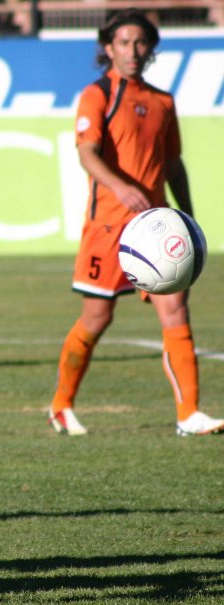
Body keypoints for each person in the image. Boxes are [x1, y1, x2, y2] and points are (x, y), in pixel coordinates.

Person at [48, 8, 222, 437]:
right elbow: (87, 152)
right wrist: (120, 187)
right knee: (96, 318)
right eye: (124, 42)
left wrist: (189, 217)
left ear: (151, 49)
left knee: (176, 308)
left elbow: (173, 163)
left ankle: (189, 414)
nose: (133, 50)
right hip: (109, 228)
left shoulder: (164, 101)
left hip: (159, 229)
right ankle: (61, 404)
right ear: (108, 48)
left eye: (141, 43)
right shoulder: (98, 94)